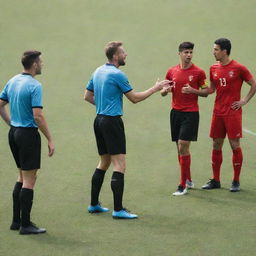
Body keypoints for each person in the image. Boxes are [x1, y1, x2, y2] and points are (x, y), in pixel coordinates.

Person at [84, 41, 170, 219]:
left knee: (104, 162)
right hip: (112, 122)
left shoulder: (98, 71)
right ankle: (118, 209)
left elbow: (87, 96)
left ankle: (93, 204)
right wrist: (156, 88)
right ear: (115, 56)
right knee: (119, 165)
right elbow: (135, 98)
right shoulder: (118, 75)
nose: (126, 55)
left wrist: (102, 105)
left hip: (98, 121)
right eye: (123, 52)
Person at [0, 50, 55, 234]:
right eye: (40, 61)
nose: (42, 64)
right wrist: (50, 138)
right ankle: (25, 225)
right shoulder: (35, 85)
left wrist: (10, 123)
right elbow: (38, 116)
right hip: (28, 136)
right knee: (29, 181)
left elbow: (0, 104)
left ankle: (16, 221)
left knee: (21, 177)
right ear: (33, 64)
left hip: (14, 134)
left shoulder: (13, 80)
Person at [202, 38, 256, 192]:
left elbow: (253, 84)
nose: (213, 52)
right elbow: (212, 89)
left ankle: (236, 181)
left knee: (234, 145)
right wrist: (194, 91)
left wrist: (244, 100)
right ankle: (216, 180)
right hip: (218, 112)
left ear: (225, 51)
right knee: (216, 144)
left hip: (232, 114)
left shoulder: (238, 68)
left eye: (216, 49)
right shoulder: (213, 68)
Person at [161, 42, 208, 196]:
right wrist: (165, 90)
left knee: (183, 145)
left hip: (191, 114)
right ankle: (187, 178)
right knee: (179, 148)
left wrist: (192, 90)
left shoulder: (199, 72)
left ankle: (182, 186)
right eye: (186, 52)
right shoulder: (171, 71)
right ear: (179, 54)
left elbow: (206, 91)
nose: (189, 55)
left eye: (191, 52)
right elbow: (164, 90)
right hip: (175, 113)